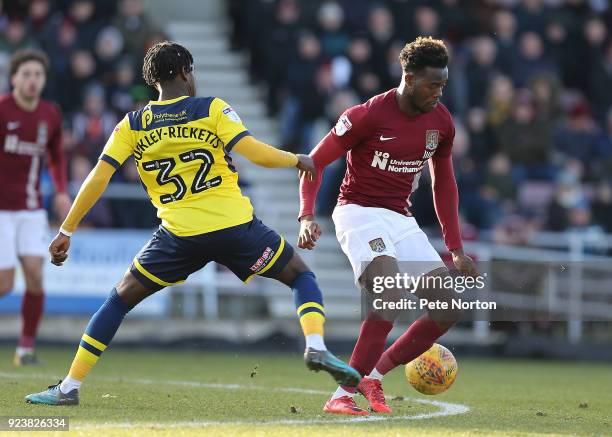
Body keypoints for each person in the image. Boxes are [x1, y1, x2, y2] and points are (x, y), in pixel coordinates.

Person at [25, 41, 360, 406]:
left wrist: (66, 229)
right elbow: (253, 152)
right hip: (234, 228)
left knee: (117, 301)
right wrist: (296, 159)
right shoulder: (211, 108)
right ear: (186, 73)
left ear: (153, 81)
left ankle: (69, 387)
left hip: (178, 236)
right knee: (299, 276)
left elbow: (97, 179)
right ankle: (315, 346)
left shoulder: (133, 124)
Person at [298, 37, 477, 416]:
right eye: (432, 85)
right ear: (409, 79)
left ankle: (373, 375)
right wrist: (307, 215)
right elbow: (314, 162)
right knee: (390, 296)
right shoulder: (367, 115)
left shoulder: (441, 122)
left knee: (448, 307)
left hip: (400, 216)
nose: (438, 93)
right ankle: (341, 396)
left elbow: (445, 183)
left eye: (443, 84)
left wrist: (456, 247)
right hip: (358, 212)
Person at [0, 49, 71, 367]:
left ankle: (25, 349)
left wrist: (60, 191)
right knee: (4, 285)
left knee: (36, 277)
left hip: (30, 209)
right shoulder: (2, 109)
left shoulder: (50, 114)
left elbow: (57, 157)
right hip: (0, 210)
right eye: (26, 74)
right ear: (13, 78)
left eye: (37, 75)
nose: (32, 80)